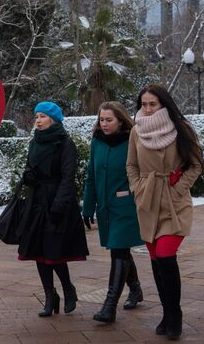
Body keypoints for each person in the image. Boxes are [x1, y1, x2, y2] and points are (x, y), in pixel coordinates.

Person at [126, 84, 203, 340]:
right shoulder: (136, 131)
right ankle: (167, 313)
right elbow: (131, 165)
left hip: (174, 203)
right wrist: (138, 188)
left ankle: (175, 315)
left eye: (152, 104)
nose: (147, 109)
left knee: (166, 255)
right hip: (147, 203)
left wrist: (179, 189)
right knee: (156, 260)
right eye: (144, 104)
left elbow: (196, 164)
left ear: (164, 104)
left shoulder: (182, 128)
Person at [18, 101, 89, 317]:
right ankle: (50, 296)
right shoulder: (34, 143)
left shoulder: (65, 143)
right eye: (36, 116)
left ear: (54, 119)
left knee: (55, 252)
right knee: (39, 252)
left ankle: (68, 287)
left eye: (42, 116)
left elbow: (68, 177)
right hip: (37, 201)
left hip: (58, 202)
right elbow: (31, 168)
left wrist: (60, 203)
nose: (37, 120)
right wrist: (29, 176)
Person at [82, 102, 144, 323]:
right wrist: (87, 206)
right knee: (120, 250)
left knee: (118, 250)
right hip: (105, 208)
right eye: (101, 119)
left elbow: (141, 172)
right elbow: (91, 175)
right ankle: (135, 289)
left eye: (109, 120)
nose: (104, 124)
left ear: (121, 120)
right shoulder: (97, 142)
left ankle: (109, 306)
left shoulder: (132, 141)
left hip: (126, 207)